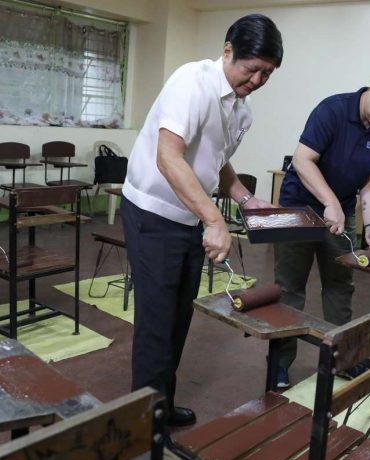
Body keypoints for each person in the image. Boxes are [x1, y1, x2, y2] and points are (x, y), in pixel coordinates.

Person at [121, 14, 282, 429]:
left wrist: (245, 199)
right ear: (228, 50)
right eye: (252, 69)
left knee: (178, 318)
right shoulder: (191, 82)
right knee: (156, 323)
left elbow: (217, 160)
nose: (258, 80)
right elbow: (168, 156)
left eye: (267, 73)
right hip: (153, 214)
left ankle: (162, 402)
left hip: (189, 216)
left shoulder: (241, 109)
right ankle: (147, 425)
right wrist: (215, 219)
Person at [274, 67, 370, 387]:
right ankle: (280, 363)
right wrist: (331, 202)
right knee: (289, 288)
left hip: (339, 211)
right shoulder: (332, 110)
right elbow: (302, 160)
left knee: (340, 286)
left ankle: (340, 357)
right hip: (297, 205)